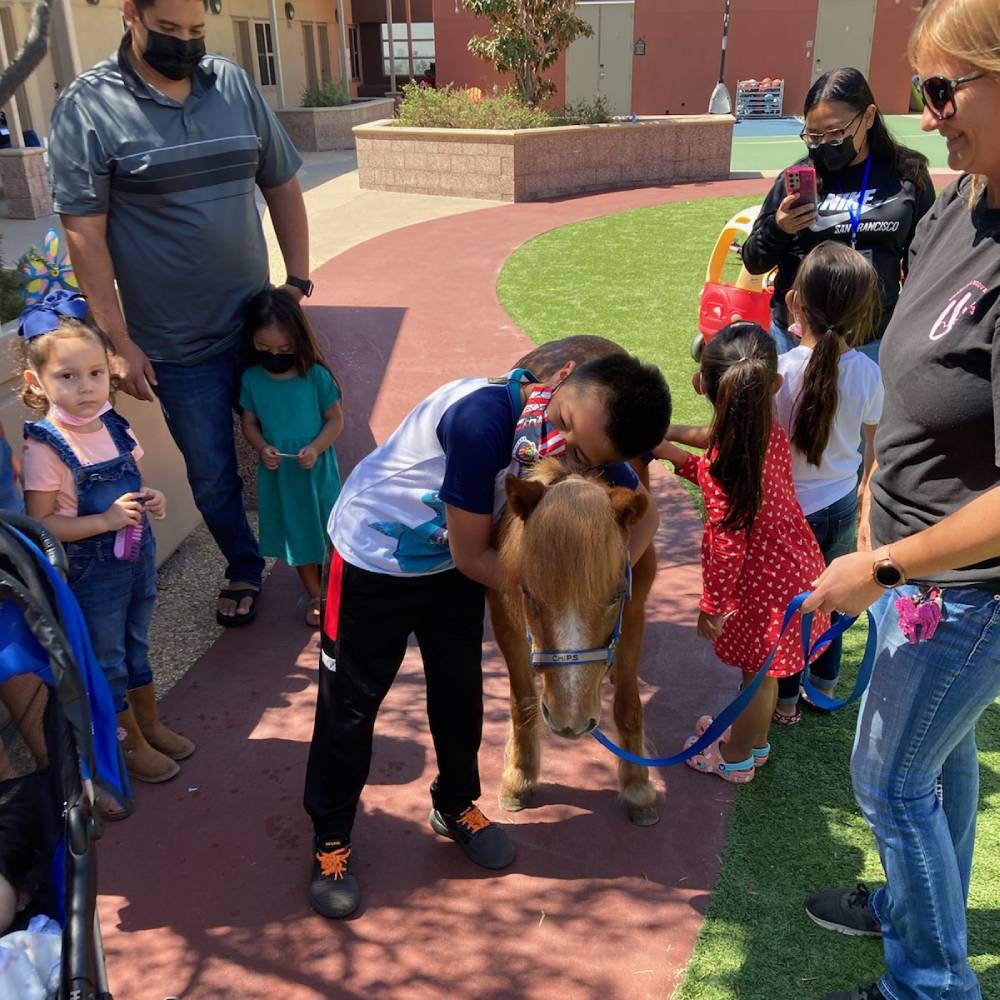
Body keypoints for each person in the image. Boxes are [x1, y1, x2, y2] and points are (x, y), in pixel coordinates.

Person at [304, 353, 670, 919]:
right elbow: (473, 554)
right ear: (563, 381)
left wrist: (606, 569)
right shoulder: (482, 421)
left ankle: (455, 805)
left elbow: (643, 516)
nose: (563, 444)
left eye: (581, 452)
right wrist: (564, 591)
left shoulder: (591, 435)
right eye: (567, 424)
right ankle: (330, 839)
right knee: (350, 706)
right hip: (373, 562)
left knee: (459, 693)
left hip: (447, 570)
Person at [801, 2, 1000, 998]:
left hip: (964, 587)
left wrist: (875, 563)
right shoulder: (961, 202)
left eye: (944, 90)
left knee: (887, 780)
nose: (927, 116)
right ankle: (913, 909)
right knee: (936, 759)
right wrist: (879, 502)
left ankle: (928, 982)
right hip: (912, 565)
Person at [47, 0, 311, 627]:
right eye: (169, 30)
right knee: (213, 471)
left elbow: (281, 184)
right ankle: (244, 563)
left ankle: (314, 560)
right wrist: (116, 340)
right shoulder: (88, 107)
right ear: (129, 15)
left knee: (299, 445)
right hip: (174, 343)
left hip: (259, 329)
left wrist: (295, 284)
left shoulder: (235, 85)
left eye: (197, 31)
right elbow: (84, 233)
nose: (186, 45)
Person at [18, 292, 195, 815]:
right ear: (37, 383)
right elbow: (41, 524)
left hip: (134, 557)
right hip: (91, 572)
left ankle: (148, 722)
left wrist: (151, 500)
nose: (85, 387)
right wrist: (104, 521)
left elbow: (133, 484)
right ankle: (120, 745)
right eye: (67, 377)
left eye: (95, 373)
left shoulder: (115, 424)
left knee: (137, 640)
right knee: (105, 658)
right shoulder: (45, 447)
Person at [653, 322, 828, 783]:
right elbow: (714, 463)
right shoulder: (764, 428)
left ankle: (735, 758)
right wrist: (666, 444)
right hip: (792, 565)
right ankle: (753, 742)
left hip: (762, 583)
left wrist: (712, 606)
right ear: (773, 384)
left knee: (758, 678)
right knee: (761, 674)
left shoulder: (736, 449)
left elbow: (727, 544)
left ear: (700, 385)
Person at [742, 66, 935, 362]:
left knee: (869, 409)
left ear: (868, 117)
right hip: (801, 341)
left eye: (835, 133)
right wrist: (779, 228)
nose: (825, 144)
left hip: (872, 340)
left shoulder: (907, 176)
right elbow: (754, 262)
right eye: (814, 135)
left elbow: (924, 263)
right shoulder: (795, 179)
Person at [771, 242, 884, 724]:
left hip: (788, 514)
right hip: (840, 504)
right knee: (834, 602)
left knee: (792, 605)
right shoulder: (868, 372)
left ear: (795, 302)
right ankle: (824, 686)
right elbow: (874, 450)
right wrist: (863, 501)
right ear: (864, 311)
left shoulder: (778, 373)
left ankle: (786, 702)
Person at [239, 289, 343, 628]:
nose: (274, 356)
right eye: (264, 349)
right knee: (297, 533)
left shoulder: (316, 376)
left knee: (331, 528)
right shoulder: (252, 379)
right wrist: (261, 447)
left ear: (298, 340)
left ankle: (341, 586)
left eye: (284, 350)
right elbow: (249, 422)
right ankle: (315, 594)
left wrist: (316, 448)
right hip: (280, 473)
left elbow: (335, 419)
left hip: (316, 469)